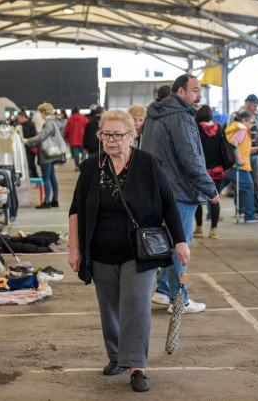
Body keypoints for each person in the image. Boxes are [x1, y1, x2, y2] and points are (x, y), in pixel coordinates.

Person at [68, 109, 188, 393]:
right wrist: (75, 249)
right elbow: (76, 210)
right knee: (109, 308)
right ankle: (116, 357)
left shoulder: (149, 165)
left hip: (139, 253)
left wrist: (180, 241)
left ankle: (136, 367)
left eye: (117, 135)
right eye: (106, 134)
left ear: (131, 136)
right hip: (100, 251)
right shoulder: (90, 168)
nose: (111, 140)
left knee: (135, 307)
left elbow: (169, 204)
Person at [141, 73, 218, 314]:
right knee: (179, 245)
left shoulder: (155, 115)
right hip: (180, 193)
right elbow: (191, 159)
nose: (199, 95)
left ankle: (163, 291)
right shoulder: (181, 118)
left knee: (168, 243)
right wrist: (210, 189)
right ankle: (179, 299)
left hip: (158, 190)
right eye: (195, 90)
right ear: (180, 92)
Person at [193, 105, 228, 238]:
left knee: (197, 200)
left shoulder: (196, 127)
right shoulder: (219, 128)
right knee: (215, 199)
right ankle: (213, 231)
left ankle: (199, 228)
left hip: (201, 170)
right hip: (217, 170)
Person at [229, 94, 258, 212]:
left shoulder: (257, 115)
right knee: (242, 183)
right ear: (248, 103)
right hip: (241, 155)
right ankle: (240, 208)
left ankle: (255, 206)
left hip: (255, 154)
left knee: (256, 182)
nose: (256, 108)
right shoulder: (235, 115)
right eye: (254, 105)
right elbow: (230, 134)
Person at [24, 103, 65, 209]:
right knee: (52, 177)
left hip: (46, 154)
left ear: (43, 112)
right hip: (51, 153)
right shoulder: (55, 121)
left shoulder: (48, 123)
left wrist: (28, 140)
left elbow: (42, 137)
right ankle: (55, 200)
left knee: (46, 178)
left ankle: (47, 201)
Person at [225, 111, 258, 223]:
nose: (252, 125)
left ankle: (210, 214)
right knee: (249, 187)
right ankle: (249, 216)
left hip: (230, 165)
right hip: (238, 166)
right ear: (244, 120)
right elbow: (234, 143)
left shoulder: (235, 128)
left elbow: (243, 148)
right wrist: (239, 159)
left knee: (216, 188)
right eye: (251, 122)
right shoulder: (242, 129)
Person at [16, 111, 38, 178]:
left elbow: (31, 136)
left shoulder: (27, 125)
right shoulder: (30, 124)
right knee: (31, 163)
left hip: (29, 147)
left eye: (18, 118)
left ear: (23, 117)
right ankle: (34, 176)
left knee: (30, 163)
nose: (18, 120)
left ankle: (34, 176)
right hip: (30, 147)